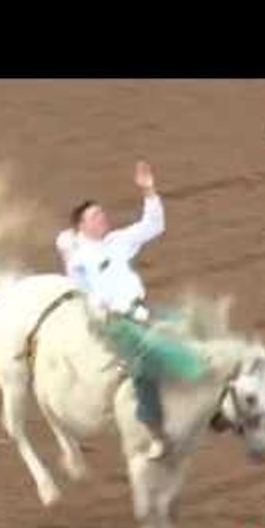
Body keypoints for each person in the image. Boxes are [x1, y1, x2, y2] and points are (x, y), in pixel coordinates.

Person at [54, 161, 176, 460]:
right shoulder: (80, 258)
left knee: (190, 327)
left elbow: (153, 226)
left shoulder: (117, 241)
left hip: (142, 310)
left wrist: (148, 189)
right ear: (81, 225)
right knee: (144, 367)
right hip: (116, 320)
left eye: (102, 214)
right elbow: (82, 291)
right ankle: (157, 434)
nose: (102, 219)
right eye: (95, 216)